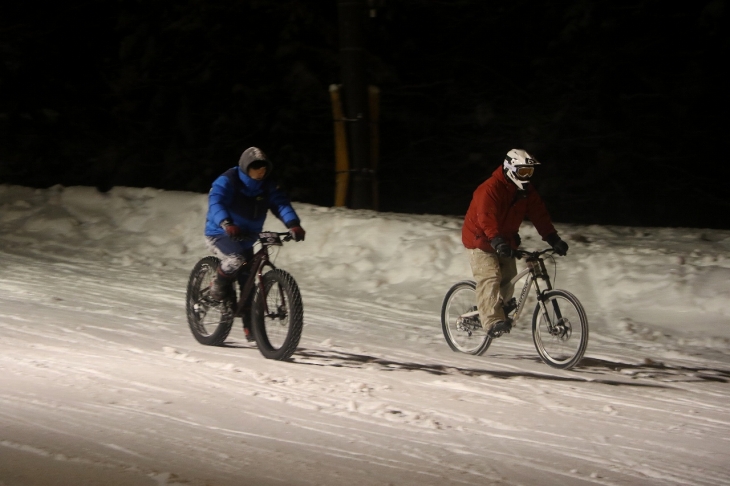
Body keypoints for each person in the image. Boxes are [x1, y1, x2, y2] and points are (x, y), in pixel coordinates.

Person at [461, 148, 569, 338]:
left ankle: (494, 306)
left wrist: (552, 237)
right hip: (480, 240)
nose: (527, 177)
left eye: (529, 172)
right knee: (490, 277)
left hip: (504, 240)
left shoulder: (525, 191)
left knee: (509, 277)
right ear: (510, 169)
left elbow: (539, 214)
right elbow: (486, 217)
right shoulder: (490, 189)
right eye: (523, 172)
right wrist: (496, 240)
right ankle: (492, 320)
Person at [204, 146, 305, 308]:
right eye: (256, 168)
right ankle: (217, 287)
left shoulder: (268, 186)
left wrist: (293, 224)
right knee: (236, 259)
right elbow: (216, 202)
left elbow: (281, 205)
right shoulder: (229, 180)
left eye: (264, 168)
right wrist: (227, 223)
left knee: (248, 285)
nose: (261, 172)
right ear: (246, 167)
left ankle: (251, 331)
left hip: (247, 238)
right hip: (220, 233)